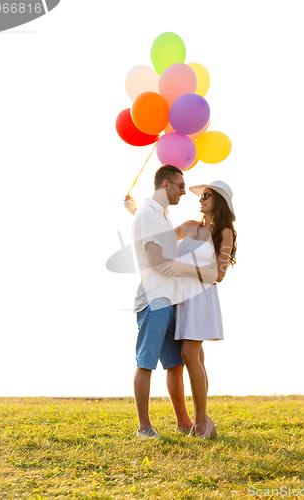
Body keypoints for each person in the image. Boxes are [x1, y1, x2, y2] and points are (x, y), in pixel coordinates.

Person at [161, 180, 237, 439]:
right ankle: (205, 422)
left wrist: (184, 269)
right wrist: (137, 209)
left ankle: (202, 422)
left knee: (189, 354)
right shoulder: (191, 226)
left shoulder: (224, 231)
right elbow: (160, 235)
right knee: (197, 358)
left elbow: (218, 274)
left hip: (202, 298)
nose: (200, 198)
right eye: (201, 195)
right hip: (182, 298)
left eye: (207, 195)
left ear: (220, 201)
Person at [128, 164, 193, 440]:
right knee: (146, 363)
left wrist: (181, 231)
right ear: (165, 185)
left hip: (171, 299)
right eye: (180, 185)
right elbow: (155, 261)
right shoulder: (147, 215)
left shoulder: (160, 216)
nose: (184, 191)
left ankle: (184, 423)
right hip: (154, 300)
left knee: (175, 363)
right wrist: (195, 271)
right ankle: (144, 428)